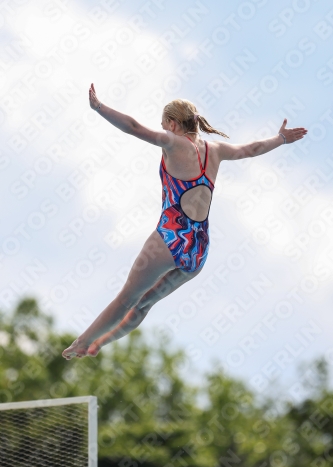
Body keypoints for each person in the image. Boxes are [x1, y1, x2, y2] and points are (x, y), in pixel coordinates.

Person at [62, 83, 307, 360]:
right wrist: (281, 139)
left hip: (170, 238)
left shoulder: (173, 142)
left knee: (127, 298)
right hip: (197, 250)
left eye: (164, 125)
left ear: (173, 124)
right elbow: (250, 149)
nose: (164, 131)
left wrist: (99, 108)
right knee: (144, 305)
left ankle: (85, 341)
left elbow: (132, 126)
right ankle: (98, 345)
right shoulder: (216, 150)